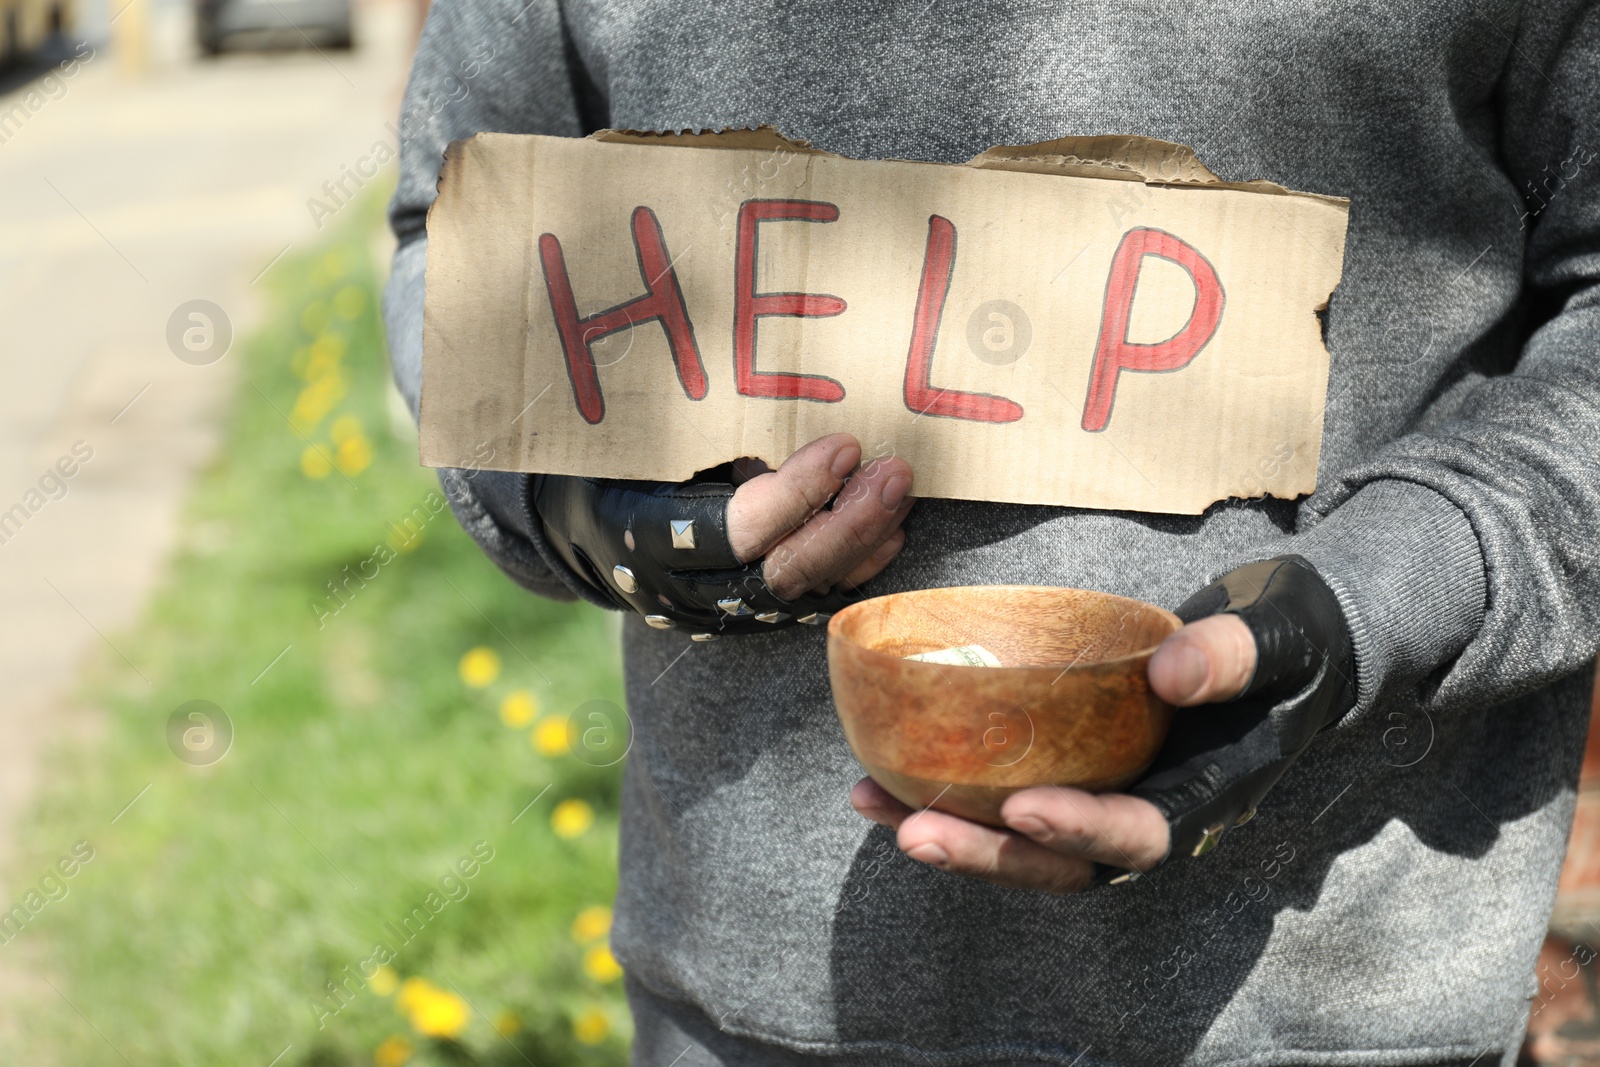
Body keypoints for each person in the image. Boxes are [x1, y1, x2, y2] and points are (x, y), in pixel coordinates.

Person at [383, 3, 1600, 1063]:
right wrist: (571, 501)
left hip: (1337, 991)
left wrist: (1389, 594)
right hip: (752, 993)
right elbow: (461, 222)